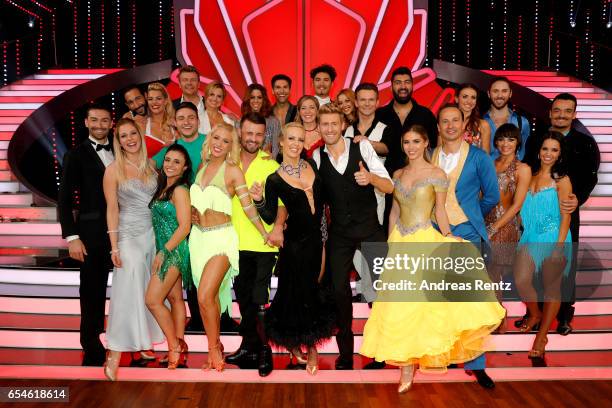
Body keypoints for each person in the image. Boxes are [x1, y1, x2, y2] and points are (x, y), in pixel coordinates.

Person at [360, 125, 505, 393]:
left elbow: (439, 209)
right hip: (400, 244)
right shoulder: (398, 174)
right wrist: (390, 243)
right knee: (400, 307)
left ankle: (423, 360)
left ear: (426, 142)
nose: (411, 146)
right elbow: (394, 211)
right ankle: (406, 369)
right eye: (406, 142)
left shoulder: (437, 174)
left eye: (416, 141)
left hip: (424, 241)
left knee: (423, 308)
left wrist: (449, 235)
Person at [311, 103, 394, 370]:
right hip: (340, 234)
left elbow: (389, 185)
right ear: (320, 127)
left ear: (343, 125)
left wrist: (370, 178)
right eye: (325, 124)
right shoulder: (317, 158)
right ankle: (345, 354)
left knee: (383, 290)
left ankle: (381, 352)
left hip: (370, 228)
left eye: (335, 124)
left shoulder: (362, 147)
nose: (330, 129)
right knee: (338, 291)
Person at [250, 122, 335, 375]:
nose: (296, 143)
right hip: (295, 245)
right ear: (282, 143)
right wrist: (258, 200)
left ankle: (300, 343)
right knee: (297, 295)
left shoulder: (312, 166)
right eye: (291, 139)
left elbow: (322, 205)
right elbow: (268, 215)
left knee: (314, 290)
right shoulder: (274, 179)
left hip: (319, 240)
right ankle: (309, 348)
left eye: (300, 139)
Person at [189, 122, 269, 371]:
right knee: (205, 300)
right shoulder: (201, 168)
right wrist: (192, 214)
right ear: (209, 138)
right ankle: (215, 345)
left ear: (231, 145)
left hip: (221, 240)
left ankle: (214, 351)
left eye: (225, 140)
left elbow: (248, 208)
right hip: (198, 239)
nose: (219, 144)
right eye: (216, 137)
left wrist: (264, 232)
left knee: (204, 295)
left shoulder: (233, 171)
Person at [431, 104, 500, 389]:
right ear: (438, 127)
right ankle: (445, 354)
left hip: (468, 233)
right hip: (436, 234)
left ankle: (476, 364)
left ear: (464, 124)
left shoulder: (479, 157)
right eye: (444, 121)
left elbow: (492, 196)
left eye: (455, 121)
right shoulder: (429, 155)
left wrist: (469, 214)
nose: (450, 126)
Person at [520, 93, 592, 335]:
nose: (561, 114)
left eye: (567, 110)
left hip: (565, 209)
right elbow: (529, 169)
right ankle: (535, 312)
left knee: (562, 266)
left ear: (574, 114)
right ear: (550, 113)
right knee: (532, 269)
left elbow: (590, 176)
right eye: (557, 110)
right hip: (537, 210)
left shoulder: (584, 142)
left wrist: (576, 199)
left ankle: (564, 317)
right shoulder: (535, 139)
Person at [225, 113, 287, 377]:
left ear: (265, 136)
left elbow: (283, 205)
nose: (252, 138)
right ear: (241, 132)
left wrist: (278, 227)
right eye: (248, 133)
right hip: (233, 242)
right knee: (244, 299)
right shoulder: (228, 162)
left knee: (259, 299)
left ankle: (264, 352)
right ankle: (248, 346)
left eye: (258, 134)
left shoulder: (271, 165)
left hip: (263, 243)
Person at [102, 118, 163, 381]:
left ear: (140, 134)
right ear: (118, 141)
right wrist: (114, 246)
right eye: (123, 136)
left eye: (133, 133)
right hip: (128, 236)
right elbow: (112, 209)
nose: (129, 139)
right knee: (127, 292)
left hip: (152, 235)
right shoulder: (113, 169)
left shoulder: (151, 165)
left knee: (147, 289)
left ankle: (143, 342)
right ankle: (114, 353)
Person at [58, 104, 114, 367]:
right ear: (86, 122)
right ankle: (91, 342)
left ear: (111, 123)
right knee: (92, 290)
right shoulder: (75, 155)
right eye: (95, 120)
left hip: (123, 231)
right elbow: (65, 199)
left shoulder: (122, 149)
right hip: (91, 235)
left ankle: (126, 337)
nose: (100, 125)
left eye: (105, 120)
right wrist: (72, 237)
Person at [514, 131, 572, 359]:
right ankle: (535, 314)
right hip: (529, 237)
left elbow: (566, 216)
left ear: (559, 154)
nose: (549, 154)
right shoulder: (530, 176)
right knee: (521, 280)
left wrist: (559, 247)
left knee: (552, 289)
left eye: (554, 150)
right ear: (538, 151)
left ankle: (542, 337)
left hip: (553, 238)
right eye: (545, 149)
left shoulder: (562, 180)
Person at [146, 144, 192, 369]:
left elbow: (185, 227)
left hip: (173, 251)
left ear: (184, 168)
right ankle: (180, 344)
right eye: (168, 160)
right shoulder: (163, 187)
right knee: (174, 299)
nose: (171, 165)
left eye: (177, 162)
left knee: (152, 300)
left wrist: (164, 252)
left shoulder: (180, 190)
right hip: (164, 249)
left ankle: (173, 345)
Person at [484, 124, 532, 332]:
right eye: (502, 139)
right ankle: (492, 314)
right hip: (484, 222)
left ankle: (499, 316)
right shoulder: (489, 163)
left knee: (493, 267)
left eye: (511, 139)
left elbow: (517, 204)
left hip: (506, 224)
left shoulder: (523, 168)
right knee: (484, 271)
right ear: (496, 142)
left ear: (517, 143)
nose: (506, 143)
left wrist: (495, 227)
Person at [376, 66, 438, 176]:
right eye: (398, 82)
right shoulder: (379, 114)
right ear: (391, 87)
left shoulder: (426, 114)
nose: (403, 86)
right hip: (384, 179)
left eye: (407, 82)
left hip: (420, 179)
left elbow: (434, 147)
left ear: (412, 85)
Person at [153, 102, 205, 182]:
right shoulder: (171, 146)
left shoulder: (212, 141)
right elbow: (148, 166)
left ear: (198, 122)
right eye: (181, 118)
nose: (186, 122)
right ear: (175, 123)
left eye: (191, 118)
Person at [483, 77, 530, 160]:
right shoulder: (480, 121)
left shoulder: (522, 122)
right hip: (486, 171)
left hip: (513, 171)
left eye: (504, 91)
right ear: (488, 93)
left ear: (510, 93)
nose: (500, 95)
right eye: (495, 91)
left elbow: (522, 152)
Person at [241, 84, 281, 158]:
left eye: (259, 97)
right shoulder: (241, 122)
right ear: (248, 100)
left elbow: (276, 148)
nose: (256, 101)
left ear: (264, 100)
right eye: (252, 97)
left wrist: (272, 160)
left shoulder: (273, 122)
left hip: (266, 163)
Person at [456, 83, 491, 153]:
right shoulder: (447, 122)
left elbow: (485, 156)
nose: (469, 101)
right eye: (465, 96)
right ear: (456, 99)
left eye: (473, 97)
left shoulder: (483, 125)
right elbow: (439, 152)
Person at [143, 82, 176, 157]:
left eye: (158, 98)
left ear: (166, 101)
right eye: (150, 99)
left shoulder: (175, 124)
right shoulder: (143, 125)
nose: (154, 102)